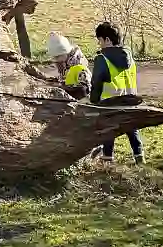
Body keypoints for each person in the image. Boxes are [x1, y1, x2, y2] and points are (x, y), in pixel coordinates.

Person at [90, 22, 143, 164]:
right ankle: (140, 160)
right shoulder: (129, 56)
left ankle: (107, 162)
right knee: (132, 129)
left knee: (108, 132)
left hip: (110, 103)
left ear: (107, 40)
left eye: (100, 40)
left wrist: (94, 101)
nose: (99, 44)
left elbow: (96, 83)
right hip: (131, 100)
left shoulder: (102, 59)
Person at [46, 32, 91, 101]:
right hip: (71, 92)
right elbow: (65, 77)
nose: (56, 60)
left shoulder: (79, 66)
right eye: (54, 57)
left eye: (57, 57)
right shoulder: (64, 61)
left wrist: (61, 86)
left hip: (82, 97)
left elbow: (85, 87)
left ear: (65, 52)